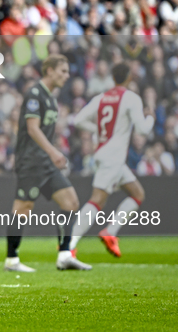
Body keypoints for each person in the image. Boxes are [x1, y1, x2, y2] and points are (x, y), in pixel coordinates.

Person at [5, 54, 92, 272]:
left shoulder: (51, 98)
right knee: (23, 208)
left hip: (44, 161)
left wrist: (52, 153)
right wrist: (53, 151)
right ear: (50, 70)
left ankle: (64, 255)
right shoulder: (35, 94)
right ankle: (11, 259)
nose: (66, 76)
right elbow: (33, 128)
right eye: (63, 71)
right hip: (31, 161)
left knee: (71, 202)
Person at [70, 63, 155, 257]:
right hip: (113, 156)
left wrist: (99, 131)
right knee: (97, 199)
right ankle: (70, 244)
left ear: (113, 77)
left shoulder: (101, 98)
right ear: (129, 77)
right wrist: (149, 118)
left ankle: (110, 232)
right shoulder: (131, 98)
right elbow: (143, 130)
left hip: (103, 152)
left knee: (137, 194)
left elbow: (78, 120)